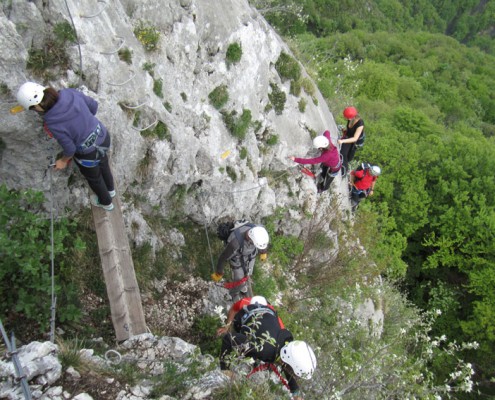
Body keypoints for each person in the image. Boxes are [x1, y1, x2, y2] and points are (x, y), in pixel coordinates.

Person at [15, 82, 116, 211]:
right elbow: (94, 107)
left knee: (95, 179)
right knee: (103, 162)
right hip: (102, 136)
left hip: (88, 154)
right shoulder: (70, 93)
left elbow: (70, 149)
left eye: (33, 109)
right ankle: (111, 190)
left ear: (37, 106)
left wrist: (63, 161)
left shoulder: (52, 122)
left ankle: (106, 202)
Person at [217, 296, 316, 399]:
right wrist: (225, 369)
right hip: (243, 320)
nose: (294, 376)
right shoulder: (265, 350)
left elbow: (288, 364)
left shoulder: (287, 343)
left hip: (265, 317)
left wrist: (295, 393)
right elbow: (229, 338)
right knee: (249, 353)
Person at [212, 224, 269, 302]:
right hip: (237, 259)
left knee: (248, 273)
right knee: (239, 280)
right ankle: (233, 294)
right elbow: (223, 258)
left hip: (250, 256)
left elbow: (262, 242)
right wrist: (219, 273)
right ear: (250, 238)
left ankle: (242, 284)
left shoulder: (258, 231)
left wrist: (263, 252)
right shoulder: (235, 244)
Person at [337, 107, 365, 175]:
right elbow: (351, 130)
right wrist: (345, 131)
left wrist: (343, 141)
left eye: (346, 117)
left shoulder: (360, 123)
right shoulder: (351, 118)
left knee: (344, 154)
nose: (346, 118)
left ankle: (344, 170)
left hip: (355, 142)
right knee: (344, 152)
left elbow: (355, 138)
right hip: (349, 137)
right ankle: (344, 166)